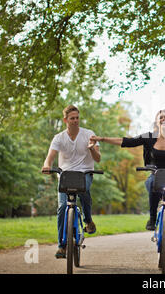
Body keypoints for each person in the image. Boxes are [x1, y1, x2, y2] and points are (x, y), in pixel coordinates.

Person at [90, 109, 165, 267]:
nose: (163, 119)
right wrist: (102, 139)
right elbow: (126, 142)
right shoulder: (149, 138)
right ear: (156, 121)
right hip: (156, 175)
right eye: (160, 117)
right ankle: (153, 218)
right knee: (151, 182)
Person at [42, 105, 101, 259]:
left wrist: (92, 149)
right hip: (65, 176)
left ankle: (88, 221)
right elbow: (50, 156)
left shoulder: (89, 134)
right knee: (62, 208)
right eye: (72, 118)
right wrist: (47, 165)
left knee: (85, 192)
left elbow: (98, 159)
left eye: (77, 118)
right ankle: (61, 246)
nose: (75, 121)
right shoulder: (59, 138)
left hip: (85, 173)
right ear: (65, 120)